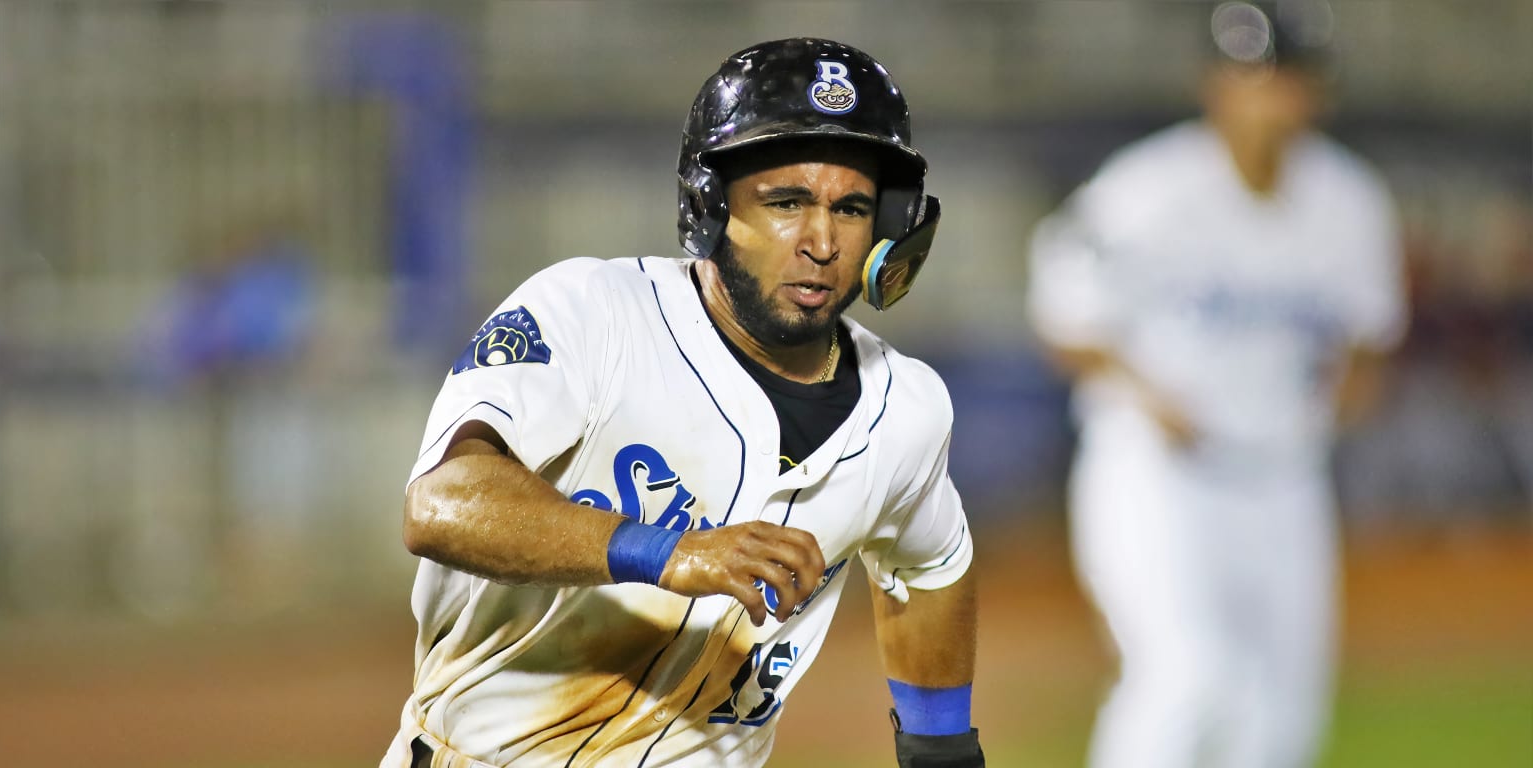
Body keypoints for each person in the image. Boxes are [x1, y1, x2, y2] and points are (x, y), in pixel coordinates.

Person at [381, 38, 984, 768]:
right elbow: (442, 504)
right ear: (709, 205)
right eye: (786, 202)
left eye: (852, 208)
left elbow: (930, 568)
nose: (822, 241)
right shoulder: (594, 313)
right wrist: (666, 552)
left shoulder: (905, 409)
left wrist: (940, 749)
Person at [1026, 3, 1406, 767]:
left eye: (1291, 79)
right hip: (1160, 473)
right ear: (1217, 85)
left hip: (1285, 480)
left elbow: (1371, 331)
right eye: (1257, 77)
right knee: (1186, 676)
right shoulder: (1148, 190)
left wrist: (1350, 387)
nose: (1275, 96)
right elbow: (1064, 317)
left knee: (1281, 717)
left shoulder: (1349, 202)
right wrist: (1143, 388)